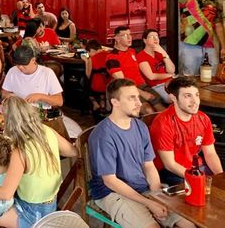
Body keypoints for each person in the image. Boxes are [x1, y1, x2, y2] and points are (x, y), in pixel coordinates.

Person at [88, 78, 194, 228]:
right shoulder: (103, 134)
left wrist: (156, 196)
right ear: (115, 102)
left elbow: (149, 165)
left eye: (138, 97)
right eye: (131, 98)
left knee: (189, 223)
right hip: (112, 193)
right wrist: (148, 203)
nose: (139, 103)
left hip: (142, 187)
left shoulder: (140, 127)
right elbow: (110, 181)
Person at [0, 96, 78, 227]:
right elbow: (72, 151)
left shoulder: (20, 151)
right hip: (50, 205)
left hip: (32, 214)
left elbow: (5, 193)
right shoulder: (46, 131)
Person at [150, 76, 223, 186]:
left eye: (196, 95)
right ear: (173, 98)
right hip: (171, 172)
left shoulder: (203, 118)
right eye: (187, 96)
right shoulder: (163, 123)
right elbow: (169, 164)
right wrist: (197, 179)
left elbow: (210, 153)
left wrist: (220, 178)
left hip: (196, 167)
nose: (195, 101)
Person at [178, 0, 225, 75]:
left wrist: (223, 46)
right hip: (189, 45)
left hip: (209, 47)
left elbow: (219, 26)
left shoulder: (214, 4)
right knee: (189, 78)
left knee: (211, 77)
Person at [106, 26, 164, 114]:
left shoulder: (132, 51)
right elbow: (122, 82)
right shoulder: (112, 58)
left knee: (161, 109)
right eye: (125, 35)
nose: (129, 38)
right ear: (117, 38)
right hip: (127, 90)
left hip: (143, 85)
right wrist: (142, 93)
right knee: (148, 110)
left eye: (130, 34)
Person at [137, 28, 175, 103]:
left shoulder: (159, 53)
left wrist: (164, 54)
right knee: (175, 99)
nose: (155, 38)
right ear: (145, 40)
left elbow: (171, 70)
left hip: (171, 83)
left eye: (157, 36)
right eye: (151, 36)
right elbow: (151, 76)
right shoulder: (141, 56)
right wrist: (170, 75)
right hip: (157, 86)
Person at [82, 39, 110, 115]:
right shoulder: (109, 54)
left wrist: (86, 61)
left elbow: (88, 75)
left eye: (88, 52)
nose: (88, 54)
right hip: (108, 84)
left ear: (92, 50)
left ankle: (95, 104)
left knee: (84, 82)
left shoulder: (92, 59)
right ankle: (102, 103)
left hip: (96, 86)